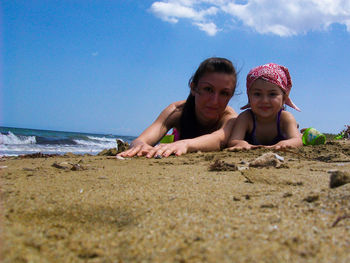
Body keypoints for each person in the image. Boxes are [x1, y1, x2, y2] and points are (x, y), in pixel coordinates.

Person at [118, 57, 238, 158]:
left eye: (224, 93)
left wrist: (185, 144)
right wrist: (140, 145)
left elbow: (219, 139)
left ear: (231, 96)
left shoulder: (230, 118)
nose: (214, 101)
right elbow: (141, 140)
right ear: (193, 88)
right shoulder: (177, 111)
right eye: (208, 89)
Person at [227, 63, 302, 151]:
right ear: (249, 97)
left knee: (302, 136)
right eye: (257, 94)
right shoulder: (246, 118)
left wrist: (284, 143)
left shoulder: (285, 118)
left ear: (284, 98)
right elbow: (233, 141)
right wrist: (240, 143)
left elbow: (297, 140)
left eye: (272, 94)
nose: (265, 100)